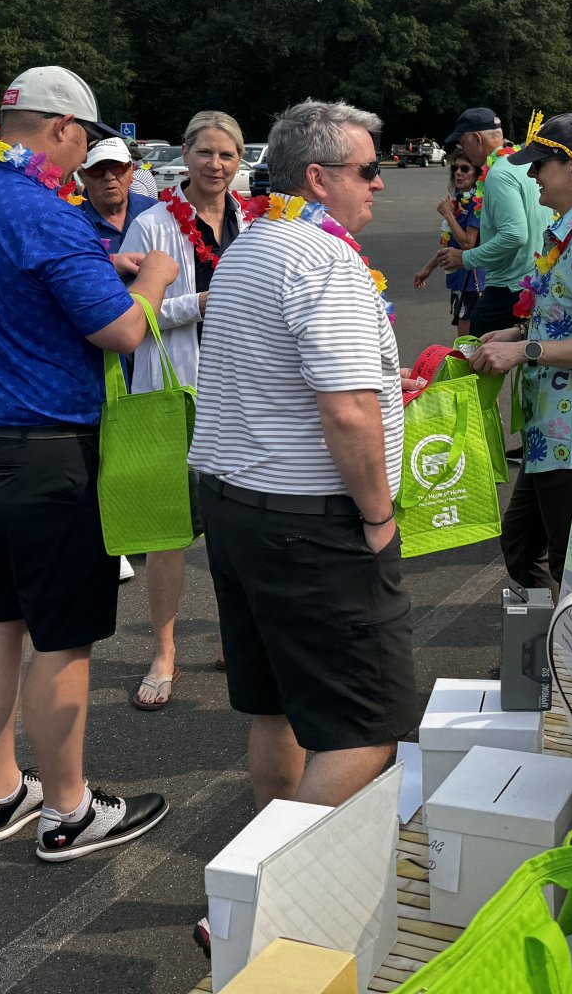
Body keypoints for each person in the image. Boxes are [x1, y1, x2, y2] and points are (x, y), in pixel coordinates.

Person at [0, 65, 180, 862]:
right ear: (65, 129)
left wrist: (93, 268)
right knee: (64, 639)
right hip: (46, 453)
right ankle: (70, 810)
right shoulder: (48, 213)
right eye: (86, 141)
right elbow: (121, 332)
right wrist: (159, 277)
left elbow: (30, 286)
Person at [189, 99, 417, 812]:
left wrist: (386, 385)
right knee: (363, 729)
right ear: (318, 179)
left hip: (237, 509)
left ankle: (258, 875)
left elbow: (284, 376)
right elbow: (345, 411)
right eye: (368, 169)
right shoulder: (326, 261)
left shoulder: (250, 247)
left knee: (278, 707)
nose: (379, 182)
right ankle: (272, 900)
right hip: (309, 525)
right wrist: (379, 517)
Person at [468, 113, 572, 591]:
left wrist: (524, 351)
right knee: (523, 547)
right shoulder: (571, 234)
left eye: (541, 165)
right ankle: (556, 642)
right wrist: (516, 330)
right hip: (552, 432)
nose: (533, 175)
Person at [118, 111, 250, 712]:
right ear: (186, 155)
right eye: (205, 154)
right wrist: (195, 303)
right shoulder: (150, 223)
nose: (215, 166)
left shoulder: (254, 220)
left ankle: (232, 636)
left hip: (237, 391)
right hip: (170, 390)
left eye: (226, 156)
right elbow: (128, 314)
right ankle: (165, 651)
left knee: (234, 524)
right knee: (169, 530)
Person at [436, 107, 552, 337]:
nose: (462, 150)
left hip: (509, 288)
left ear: (476, 139)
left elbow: (515, 234)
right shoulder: (522, 164)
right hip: (536, 282)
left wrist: (467, 257)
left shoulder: (499, 174)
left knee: (477, 353)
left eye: (462, 142)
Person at [412, 153, 483, 334]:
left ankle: (465, 362)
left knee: (466, 334)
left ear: (476, 175)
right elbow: (448, 245)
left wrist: (449, 216)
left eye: (465, 169)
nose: (458, 173)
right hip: (459, 279)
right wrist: (427, 269)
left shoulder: (477, 204)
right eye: (455, 168)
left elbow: (468, 243)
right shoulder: (459, 202)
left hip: (473, 281)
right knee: (463, 328)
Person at [76, 137, 157, 256]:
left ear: (132, 171)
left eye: (118, 167)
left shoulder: (154, 211)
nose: (109, 177)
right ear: (83, 176)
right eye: (97, 170)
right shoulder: (70, 220)